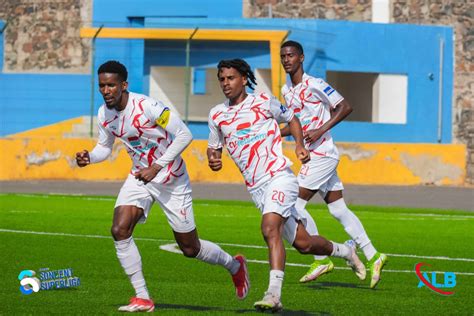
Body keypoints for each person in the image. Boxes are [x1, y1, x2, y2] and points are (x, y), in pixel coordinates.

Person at [75, 60, 249, 313]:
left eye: (111, 85)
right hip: (140, 177)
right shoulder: (105, 114)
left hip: (171, 179)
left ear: (124, 85)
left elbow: (185, 135)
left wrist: (156, 166)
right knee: (119, 229)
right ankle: (142, 296)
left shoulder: (147, 106)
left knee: (190, 248)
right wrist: (89, 157)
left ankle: (234, 266)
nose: (106, 90)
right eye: (102, 85)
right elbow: (105, 147)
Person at [207, 59, 366, 313]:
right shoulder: (216, 114)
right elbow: (214, 146)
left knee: (269, 228)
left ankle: (274, 294)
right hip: (256, 189)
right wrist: (213, 158)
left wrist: (300, 145)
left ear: (243, 79)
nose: (226, 83)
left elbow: (292, 119)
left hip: (279, 177)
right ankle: (345, 251)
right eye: (222, 79)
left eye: (231, 78)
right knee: (304, 244)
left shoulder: (263, 101)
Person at [280, 40, 388, 289]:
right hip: (315, 155)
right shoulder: (287, 90)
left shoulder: (315, 84)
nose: (287, 60)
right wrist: (273, 132)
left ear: (301, 58)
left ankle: (320, 258)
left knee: (293, 205)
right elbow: (296, 124)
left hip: (323, 155)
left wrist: (320, 130)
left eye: (291, 55)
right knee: (338, 210)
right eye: (283, 56)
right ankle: (373, 255)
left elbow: (345, 107)